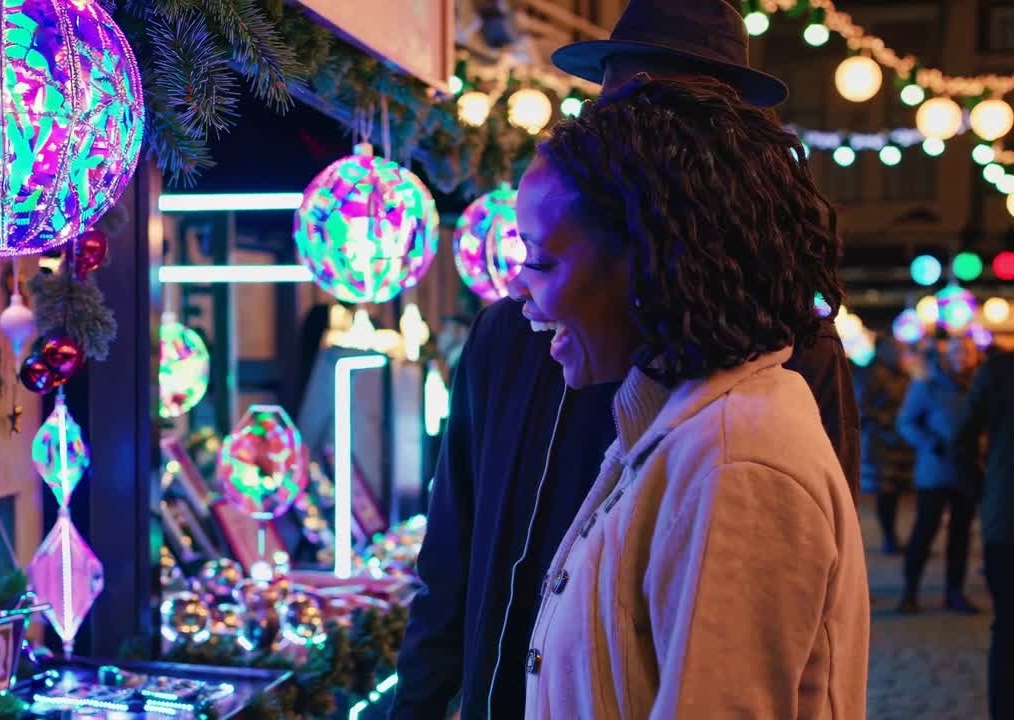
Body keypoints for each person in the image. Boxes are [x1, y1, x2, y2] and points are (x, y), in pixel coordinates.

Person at [390, 1, 862, 717]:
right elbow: (454, 552)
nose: (649, 131)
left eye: (679, 115)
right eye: (621, 107)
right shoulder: (516, 334)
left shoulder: (763, 402)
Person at [512, 73, 867, 717]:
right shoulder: (682, 429)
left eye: (539, 259)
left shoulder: (737, 460)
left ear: (649, 262)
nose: (517, 288)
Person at [896, 335, 981, 614]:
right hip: (935, 471)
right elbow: (906, 422)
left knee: (961, 535)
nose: (962, 356)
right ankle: (910, 591)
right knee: (925, 531)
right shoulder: (927, 385)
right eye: (957, 350)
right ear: (947, 355)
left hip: (967, 471)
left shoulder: (978, 386)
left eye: (967, 351)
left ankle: (954, 593)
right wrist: (930, 443)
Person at [954, 346, 1014, 719]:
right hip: (1004, 518)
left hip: (1005, 519)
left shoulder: (998, 372)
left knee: (1007, 630)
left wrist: (984, 493)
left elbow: (962, 441)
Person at [856, 335, 915, 554]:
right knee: (886, 492)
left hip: (900, 441)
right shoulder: (873, 374)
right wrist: (888, 421)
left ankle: (892, 537)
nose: (903, 355)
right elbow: (862, 408)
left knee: (895, 491)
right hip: (882, 443)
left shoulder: (902, 374)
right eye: (898, 351)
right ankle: (889, 538)